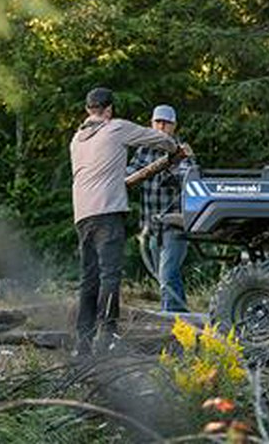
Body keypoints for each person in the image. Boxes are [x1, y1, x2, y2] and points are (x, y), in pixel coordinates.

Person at [70, 87, 180, 356]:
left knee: (89, 279)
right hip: (107, 213)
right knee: (110, 276)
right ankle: (107, 336)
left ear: (88, 110)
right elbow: (157, 138)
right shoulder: (115, 127)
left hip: (82, 215)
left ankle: (82, 342)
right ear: (109, 109)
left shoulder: (76, 139)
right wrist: (174, 148)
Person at [127, 104, 194, 313]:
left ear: (174, 126)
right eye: (158, 122)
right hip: (151, 225)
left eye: (166, 123)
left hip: (175, 224)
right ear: (151, 123)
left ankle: (170, 321)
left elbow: (187, 178)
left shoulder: (181, 151)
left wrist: (168, 171)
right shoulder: (143, 150)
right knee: (163, 277)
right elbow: (130, 173)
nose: (161, 126)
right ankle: (182, 322)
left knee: (167, 275)